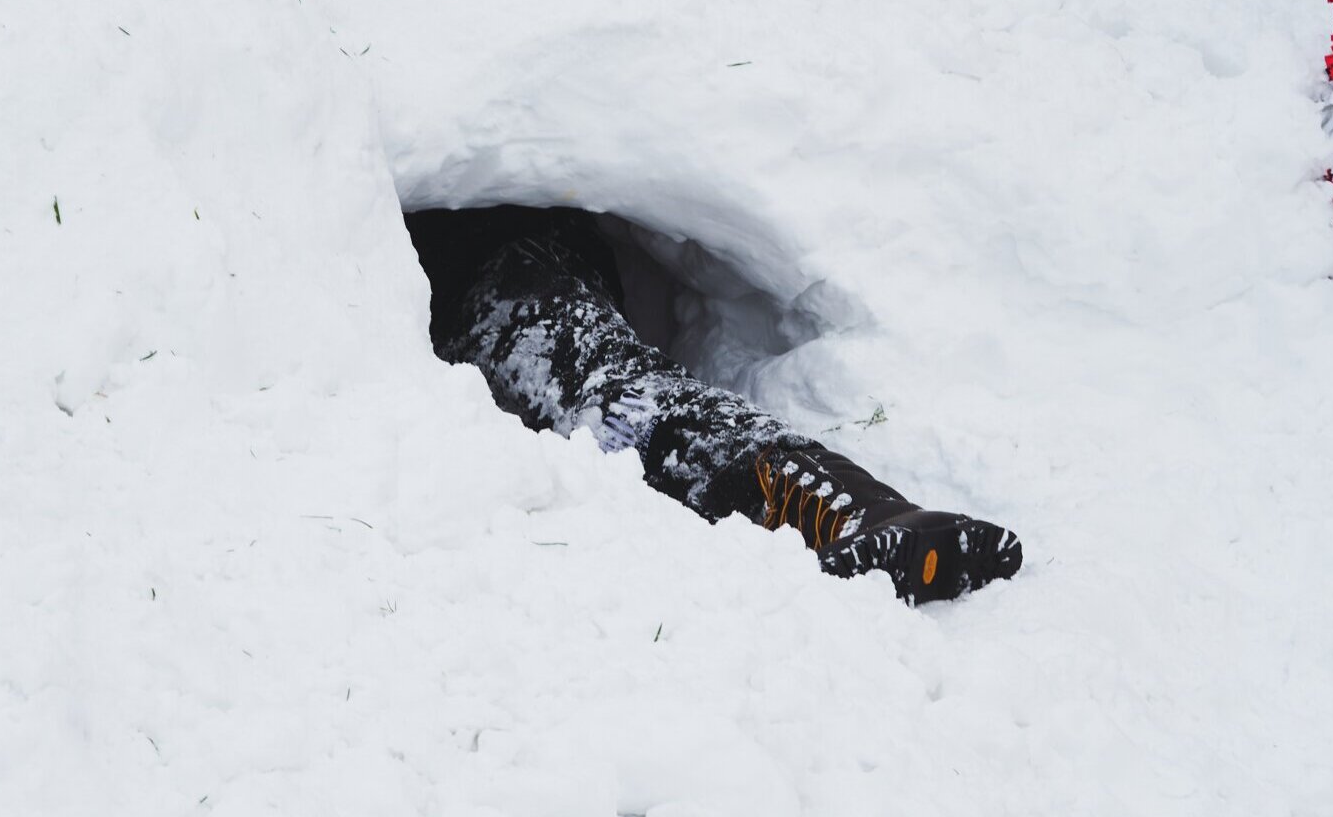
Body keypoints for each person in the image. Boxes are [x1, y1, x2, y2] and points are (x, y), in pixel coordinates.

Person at [408, 207, 1022, 605]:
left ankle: (853, 509)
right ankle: (852, 507)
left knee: (616, 397)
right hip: (509, 262)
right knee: (614, 391)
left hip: (489, 271)